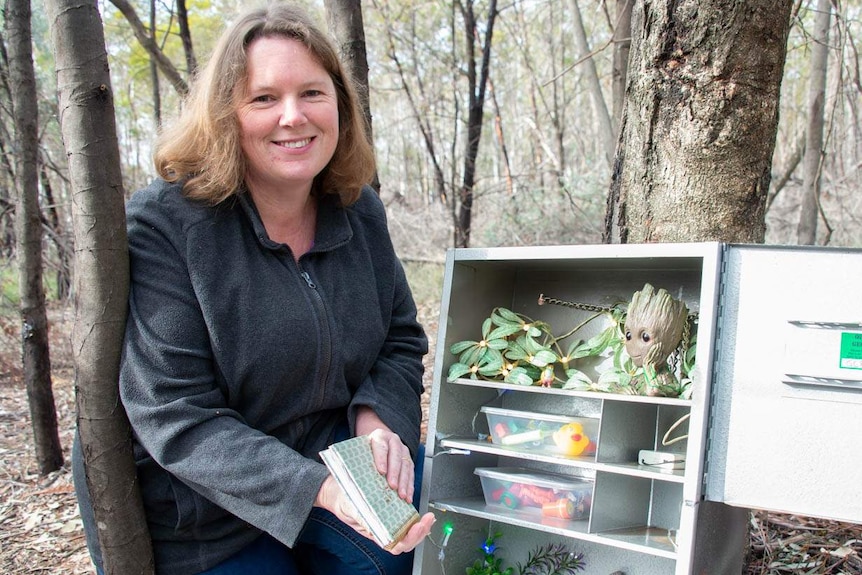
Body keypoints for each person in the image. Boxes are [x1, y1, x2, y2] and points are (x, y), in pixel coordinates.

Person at [72, 3, 435, 574]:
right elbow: (174, 412)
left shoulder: (358, 210)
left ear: (339, 104)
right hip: (207, 513)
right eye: (264, 98)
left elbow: (399, 339)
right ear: (225, 114)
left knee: (414, 551)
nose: (293, 116)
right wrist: (323, 491)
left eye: (312, 93)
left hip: (329, 459)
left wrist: (377, 421)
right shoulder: (168, 225)